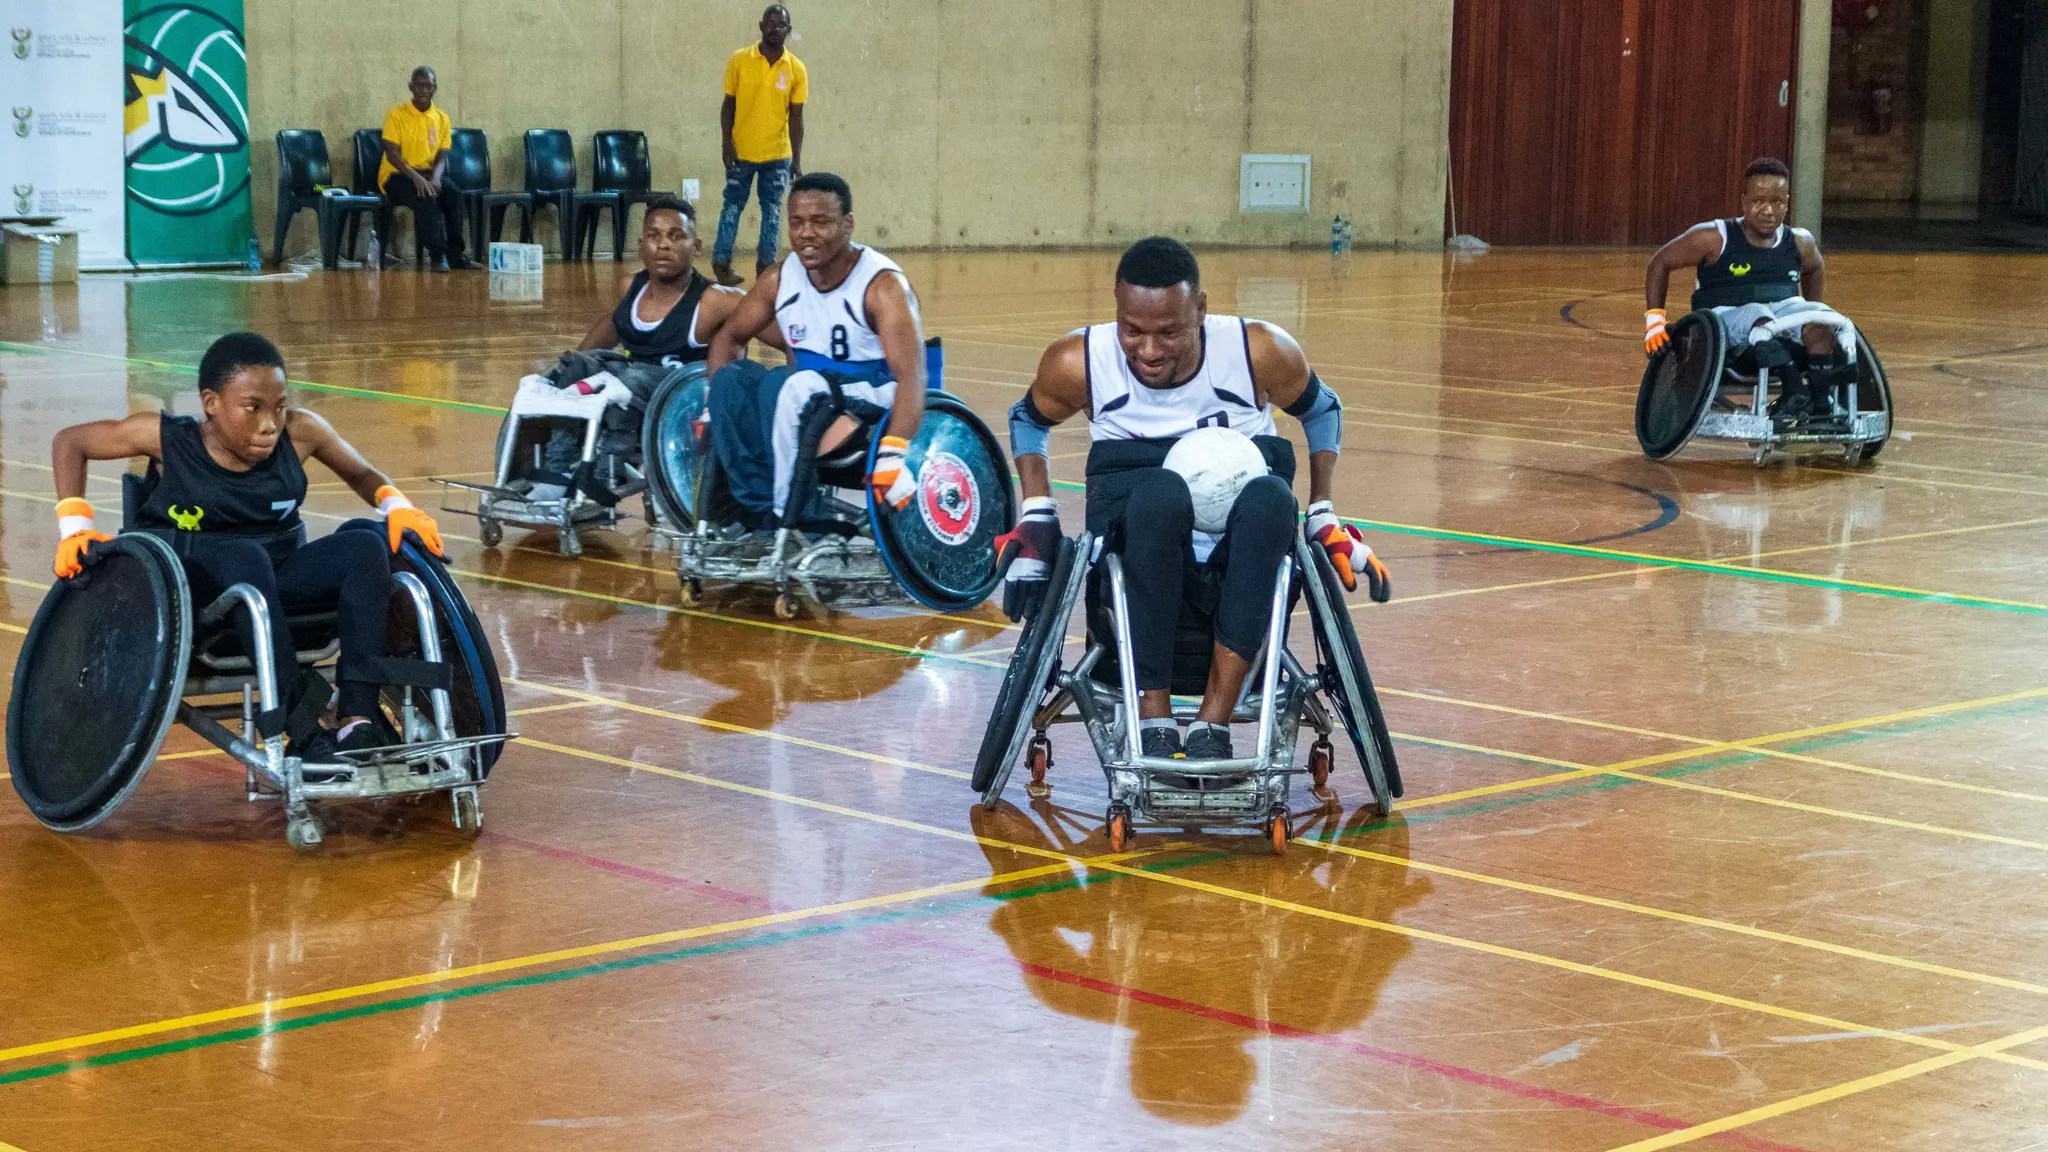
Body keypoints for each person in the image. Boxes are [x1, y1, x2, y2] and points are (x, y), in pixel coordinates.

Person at [994, 237, 1389, 762]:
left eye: (1169, 332)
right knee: (1160, 493)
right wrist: (1038, 513)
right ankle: (1154, 721)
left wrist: (1322, 511)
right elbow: (1027, 420)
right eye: (1132, 331)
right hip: (1139, 543)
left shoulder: (1259, 351)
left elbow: (1323, 410)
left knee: (1272, 497)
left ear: (1200, 309)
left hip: (1243, 543)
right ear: (1116, 308)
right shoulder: (1078, 361)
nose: (1150, 350)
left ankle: (1212, 727)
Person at [49, 332, 449, 764]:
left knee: (364, 547)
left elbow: (362, 472)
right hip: (197, 598)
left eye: (278, 407)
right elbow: (71, 442)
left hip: (273, 580)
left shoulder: (302, 433)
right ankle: (300, 727)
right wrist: (75, 529)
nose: (269, 424)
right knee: (245, 556)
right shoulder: (167, 439)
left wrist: (398, 507)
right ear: (211, 403)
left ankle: (357, 718)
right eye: (253, 408)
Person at [705, 172, 925, 530]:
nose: (806, 233)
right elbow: (729, 337)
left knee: (785, 385)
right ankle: (759, 511)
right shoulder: (779, 279)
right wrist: (710, 404)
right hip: (805, 398)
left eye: (820, 222)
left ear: (847, 224)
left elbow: (911, 376)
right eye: (797, 223)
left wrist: (893, 452)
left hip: (870, 405)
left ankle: (794, 516)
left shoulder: (883, 286)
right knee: (731, 382)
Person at [527, 195, 751, 501]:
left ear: (696, 246)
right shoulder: (629, 287)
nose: (663, 245)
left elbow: (769, 321)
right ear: (641, 244)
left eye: (676, 236)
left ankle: (609, 469)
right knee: (576, 365)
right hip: (631, 391)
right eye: (654, 236)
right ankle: (559, 469)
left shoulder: (716, 300)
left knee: (630, 378)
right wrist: (572, 367)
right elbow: (605, 332)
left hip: (679, 398)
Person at [1643, 156, 1854, 421]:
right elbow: (1660, 262)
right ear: (1743, 201)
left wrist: (1808, 315)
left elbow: (1815, 269)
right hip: (1724, 328)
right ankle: (1794, 391)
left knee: (1820, 317)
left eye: (1777, 202)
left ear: (1787, 202)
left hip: (1777, 323)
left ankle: (1821, 403)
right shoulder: (1714, 237)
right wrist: (1654, 322)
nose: (1768, 210)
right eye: (1759, 201)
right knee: (1756, 312)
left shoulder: (1800, 241)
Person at [714, 4, 807, 287]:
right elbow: (728, 106)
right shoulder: (739, 60)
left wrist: (797, 160)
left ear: (788, 31)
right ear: (760, 25)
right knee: (732, 206)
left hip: (777, 155)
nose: (774, 28)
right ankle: (721, 262)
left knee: (773, 211)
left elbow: (797, 118)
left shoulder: (796, 69)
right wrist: (726, 143)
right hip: (741, 152)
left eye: (781, 25)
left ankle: (766, 268)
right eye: (770, 22)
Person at [379, 66, 475, 273]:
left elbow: (442, 154)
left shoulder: (441, 118)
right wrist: (416, 178)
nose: (424, 90)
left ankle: (456, 255)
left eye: (428, 86)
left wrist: (437, 178)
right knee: (425, 197)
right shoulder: (396, 114)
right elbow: (392, 154)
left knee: (455, 196)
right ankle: (437, 256)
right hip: (398, 174)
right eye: (419, 85)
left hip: (428, 173)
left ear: (434, 89)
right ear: (411, 87)